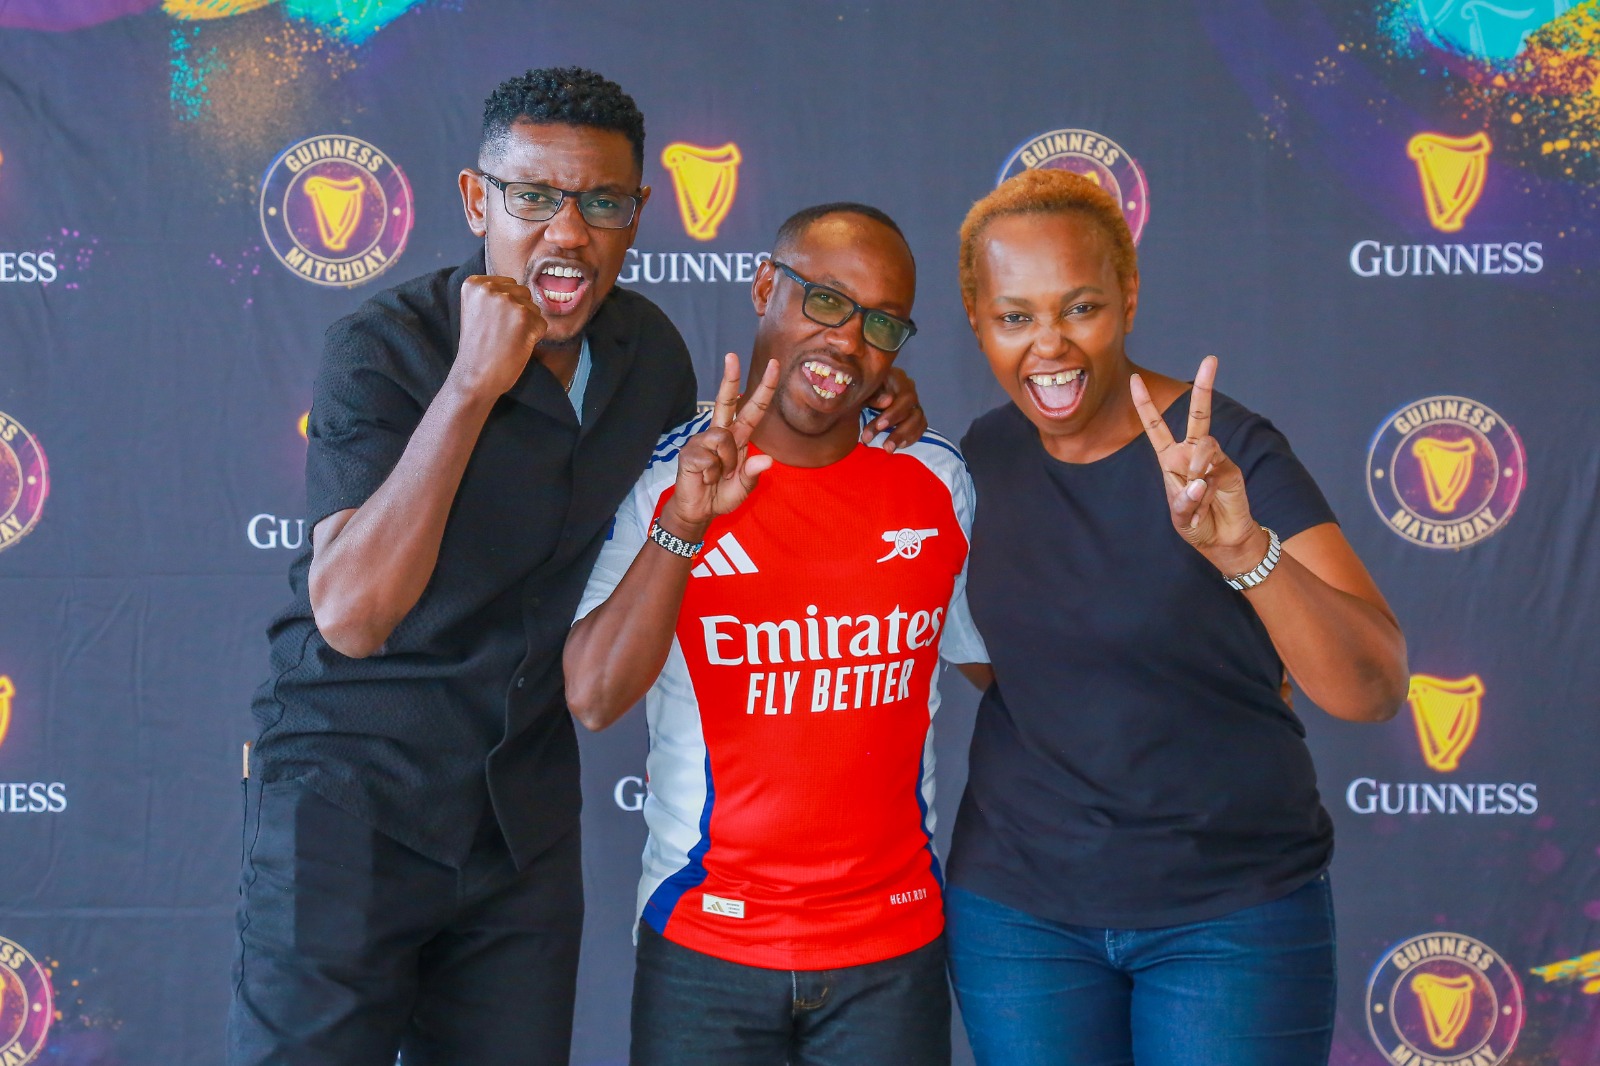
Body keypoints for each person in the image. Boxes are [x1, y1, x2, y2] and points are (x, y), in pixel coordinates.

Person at [229, 70, 925, 1066]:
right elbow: (349, 613)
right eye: (533, 198)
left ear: (637, 214)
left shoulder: (649, 357)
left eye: (600, 203)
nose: (567, 232)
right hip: (349, 804)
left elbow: (736, 450)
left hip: (519, 822)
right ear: (479, 202)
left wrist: (866, 381)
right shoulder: (382, 348)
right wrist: (471, 385)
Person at [943, 168, 1409, 1065]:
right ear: (977, 317)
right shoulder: (978, 457)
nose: (1049, 345)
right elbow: (1001, 659)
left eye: (1080, 308)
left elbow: (1374, 686)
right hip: (1020, 919)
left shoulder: (1226, 450)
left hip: (1231, 915)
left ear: (1128, 294)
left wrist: (1245, 554)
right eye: (1016, 316)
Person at [564, 203, 989, 1066]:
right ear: (765, 287)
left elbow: (1007, 667)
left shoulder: (935, 480)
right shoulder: (668, 482)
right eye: (826, 301)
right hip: (705, 945)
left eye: (881, 324)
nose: (847, 342)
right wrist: (686, 524)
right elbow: (595, 695)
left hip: (893, 949)